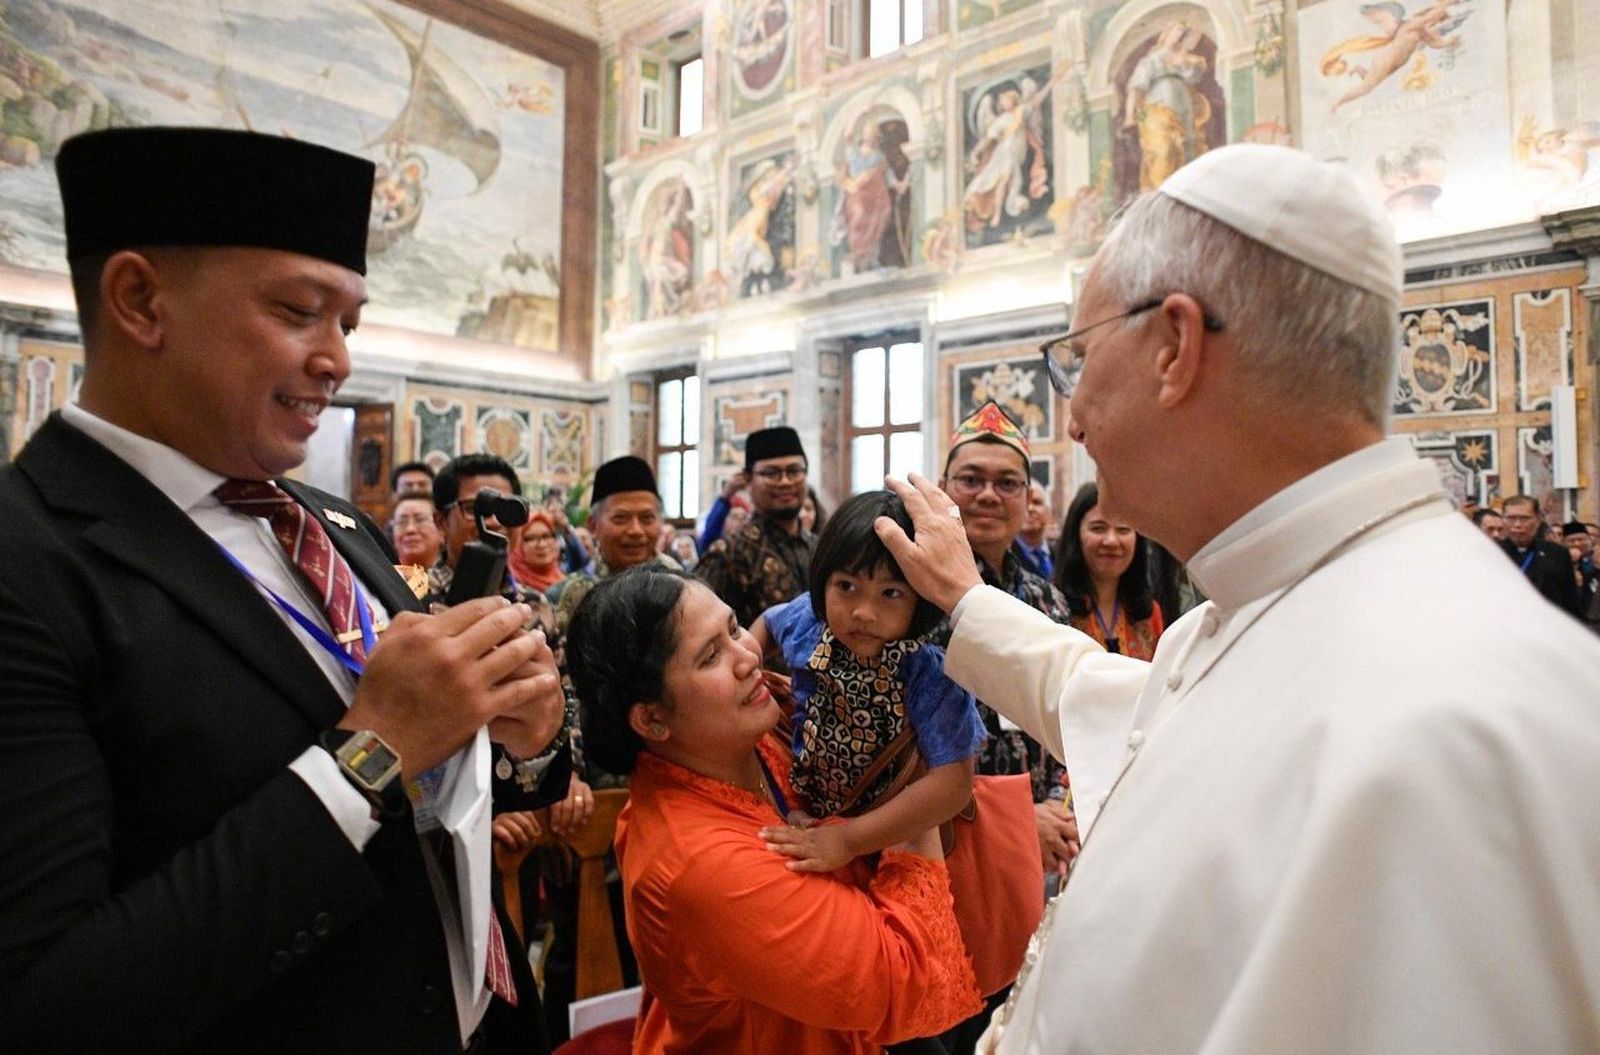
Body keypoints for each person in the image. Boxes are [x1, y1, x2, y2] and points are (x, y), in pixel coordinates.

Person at [872, 143, 1600, 1052]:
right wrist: (967, 595)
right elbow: (1119, 704)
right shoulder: (1267, 601)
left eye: (1078, 359)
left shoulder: (1447, 734)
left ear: (1174, 347)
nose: (1074, 415)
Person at [0, 127, 567, 1050]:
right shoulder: (32, 562)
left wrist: (525, 741)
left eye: (349, 322)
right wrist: (371, 749)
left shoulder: (326, 521)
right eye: (301, 311)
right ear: (141, 300)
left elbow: (442, 789)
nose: (338, 359)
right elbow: (48, 1004)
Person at [565, 566, 982, 1052]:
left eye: (735, 628)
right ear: (653, 719)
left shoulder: (762, 726)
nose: (749, 657)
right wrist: (923, 795)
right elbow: (899, 976)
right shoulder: (700, 866)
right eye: (711, 656)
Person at [750, 491, 985, 873]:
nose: (863, 612)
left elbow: (953, 783)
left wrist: (848, 840)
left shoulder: (929, 675)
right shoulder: (810, 623)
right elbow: (768, 622)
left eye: (891, 593)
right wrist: (749, 669)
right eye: (846, 586)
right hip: (805, 810)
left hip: (894, 837)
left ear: (921, 598)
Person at [696, 426, 816, 629]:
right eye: (771, 473)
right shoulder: (729, 553)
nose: (785, 482)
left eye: (794, 471)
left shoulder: (819, 547)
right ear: (748, 480)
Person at [1053, 483, 1165, 659]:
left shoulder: (1150, 613)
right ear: (1076, 535)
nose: (1111, 541)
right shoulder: (1052, 607)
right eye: (1098, 528)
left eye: (1123, 530)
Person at [1500, 494, 1581, 615]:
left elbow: (1570, 601)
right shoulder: (1490, 551)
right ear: (1503, 520)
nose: (1517, 525)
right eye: (1511, 518)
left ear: (1538, 520)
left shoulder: (1557, 553)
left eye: (1524, 519)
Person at [391, 491, 444, 591]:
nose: (410, 529)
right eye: (402, 522)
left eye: (420, 520)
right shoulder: (384, 578)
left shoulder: (454, 577)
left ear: (441, 527)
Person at [508, 510, 567, 594]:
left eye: (546, 536)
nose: (541, 545)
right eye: (531, 538)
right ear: (518, 544)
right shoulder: (510, 586)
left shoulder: (565, 584)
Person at [1013, 482, 1053, 577]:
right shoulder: (1003, 558)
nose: (1030, 508)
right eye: (1025, 503)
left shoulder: (1062, 553)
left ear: (1048, 511)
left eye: (1036, 502)